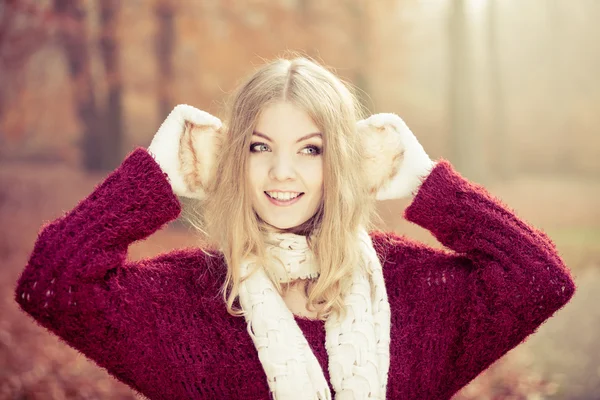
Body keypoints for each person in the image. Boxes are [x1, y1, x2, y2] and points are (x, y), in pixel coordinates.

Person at [15, 57, 575, 400]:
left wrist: (427, 181)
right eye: (260, 147)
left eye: (312, 149)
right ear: (233, 159)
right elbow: (54, 283)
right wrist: (153, 177)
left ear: (345, 162)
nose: (283, 171)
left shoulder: (410, 287)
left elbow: (539, 276)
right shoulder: (188, 296)